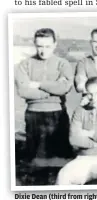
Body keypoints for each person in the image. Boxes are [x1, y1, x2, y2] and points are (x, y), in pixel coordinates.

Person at [14, 28, 74, 167]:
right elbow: (23, 91)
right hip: (33, 115)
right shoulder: (25, 64)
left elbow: (64, 88)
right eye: (39, 46)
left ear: (55, 44)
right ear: (35, 44)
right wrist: (51, 90)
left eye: (47, 46)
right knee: (35, 161)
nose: (43, 50)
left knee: (60, 160)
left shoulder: (62, 64)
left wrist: (39, 84)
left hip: (57, 114)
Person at [55, 77, 97, 185]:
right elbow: (74, 140)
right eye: (90, 94)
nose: (93, 98)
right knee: (63, 175)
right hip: (84, 157)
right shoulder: (80, 110)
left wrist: (90, 134)